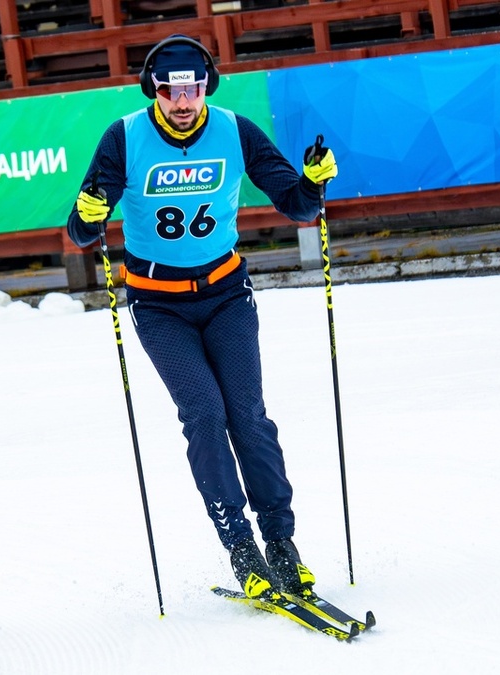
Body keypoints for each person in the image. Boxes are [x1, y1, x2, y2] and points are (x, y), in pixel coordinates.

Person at [67, 34, 338, 599]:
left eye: (193, 89)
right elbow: (82, 230)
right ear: (155, 91)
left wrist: (315, 183)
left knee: (249, 417)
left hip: (226, 295)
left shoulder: (235, 131)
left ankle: (281, 543)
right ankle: (241, 548)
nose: (183, 101)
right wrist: (87, 215)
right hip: (159, 305)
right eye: (171, 91)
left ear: (207, 87)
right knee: (205, 415)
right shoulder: (125, 137)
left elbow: (296, 205)